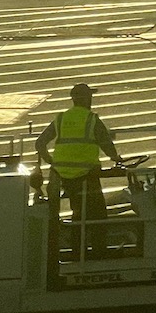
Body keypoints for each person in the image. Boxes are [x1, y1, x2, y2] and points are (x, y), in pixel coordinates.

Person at [35, 83, 124, 257]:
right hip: (87, 176)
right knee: (98, 215)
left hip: (65, 177)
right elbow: (106, 143)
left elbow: (40, 143)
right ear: (88, 99)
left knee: (78, 213)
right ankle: (99, 252)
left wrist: (52, 162)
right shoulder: (92, 119)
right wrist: (117, 159)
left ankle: (77, 251)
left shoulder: (61, 118)